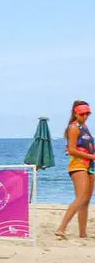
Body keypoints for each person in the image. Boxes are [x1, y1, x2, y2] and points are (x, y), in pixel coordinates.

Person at [56, 100, 95, 240]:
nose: (85, 116)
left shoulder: (85, 127)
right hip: (78, 165)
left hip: (90, 166)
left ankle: (83, 233)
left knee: (86, 201)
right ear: (75, 113)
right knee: (81, 197)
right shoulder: (73, 127)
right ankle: (61, 229)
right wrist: (91, 156)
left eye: (87, 114)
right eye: (82, 114)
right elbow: (72, 150)